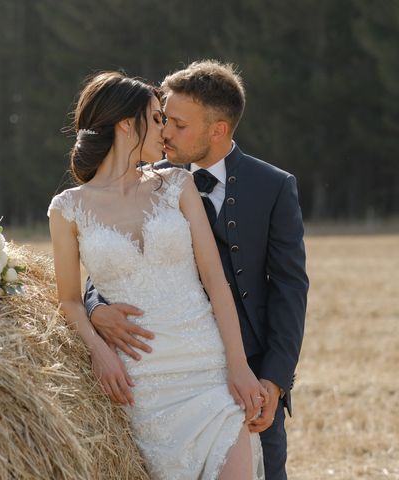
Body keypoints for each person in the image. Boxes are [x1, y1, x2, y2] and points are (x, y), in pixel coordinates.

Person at [85, 61, 309, 480]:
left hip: (251, 377)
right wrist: (96, 309)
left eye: (179, 124)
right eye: (163, 119)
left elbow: (289, 290)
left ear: (218, 130)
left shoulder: (274, 186)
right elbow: (104, 265)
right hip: (164, 375)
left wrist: (274, 383)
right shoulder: (145, 182)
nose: (165, 131)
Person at [48, 71, 267, 479]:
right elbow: (70, 301)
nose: (165, 129)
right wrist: (100, 352)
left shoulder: (178, 184)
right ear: (126, 124)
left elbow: (216, 282)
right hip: (139, 385)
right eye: (157, 117)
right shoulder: (67, 208)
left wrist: (238, 366)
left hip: (208, 371)